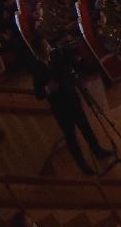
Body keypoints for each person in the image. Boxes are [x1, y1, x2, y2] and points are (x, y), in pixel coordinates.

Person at [29, 41, 111, 174]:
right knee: (71, 138)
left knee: (86, 128)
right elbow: (38, 93)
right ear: (38, 52)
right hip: (60, 108)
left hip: (72, 99)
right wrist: (48, 89)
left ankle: (98, 151)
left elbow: (70, 62)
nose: (49, 47)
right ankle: (83, 166)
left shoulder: (56, 56)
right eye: (45, 46)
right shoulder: (36, 67)